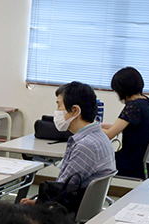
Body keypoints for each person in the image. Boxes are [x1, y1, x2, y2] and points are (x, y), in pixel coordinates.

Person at [23, 81, 115, 211]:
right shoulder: (99, 137)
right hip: (79, 208)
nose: (56, 112)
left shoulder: (85, 146)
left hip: (65, 214)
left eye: (59, 106)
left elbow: (61, 191)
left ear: (75, 111)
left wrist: (37, 204)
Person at [101, 67, 149, 179]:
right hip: (146, 165)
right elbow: (124, 128)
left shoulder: (134, 106)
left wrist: (85, 128)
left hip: (132, 165)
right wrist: (99, 126)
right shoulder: (146, 101)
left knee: (91, 159)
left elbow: (109, 135)